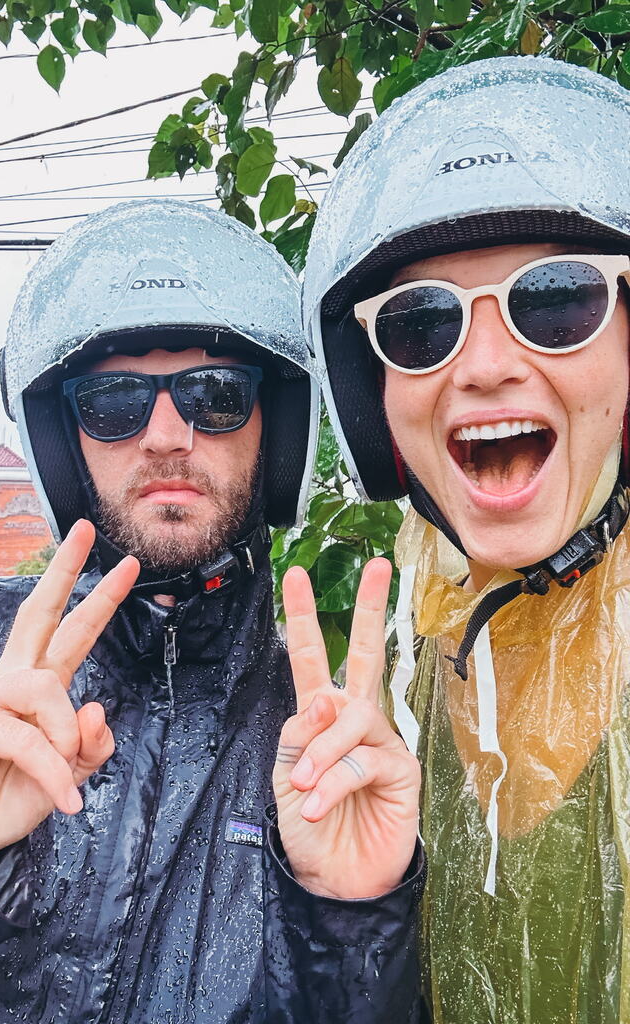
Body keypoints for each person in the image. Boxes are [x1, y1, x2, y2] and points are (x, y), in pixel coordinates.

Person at [0, 199, 424, 1023]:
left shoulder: (327, 749)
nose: (166, 435)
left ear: (275, 431)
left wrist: (351, 923)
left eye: (216, 392)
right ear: (65, 440)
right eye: (116, 402)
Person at [303, 56, 630, 1024]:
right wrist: (348, 913)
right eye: (420, 324)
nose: (485, 365)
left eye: (557, 301)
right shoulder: (387, 673)